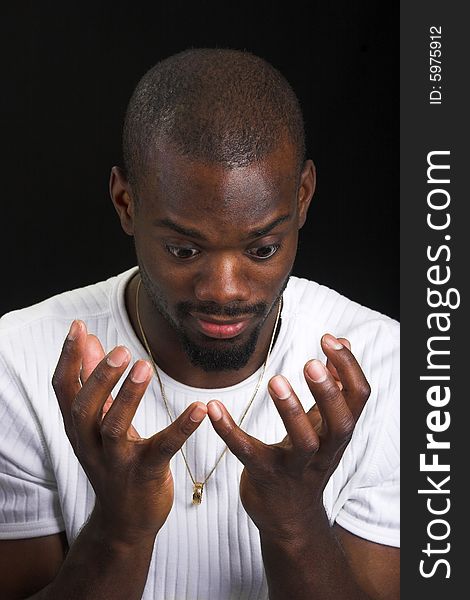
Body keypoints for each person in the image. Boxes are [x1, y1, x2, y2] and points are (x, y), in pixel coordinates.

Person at [0, 48, 399, 599]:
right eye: (185, 250)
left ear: (302, 197)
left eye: (262, 249)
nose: (224, 291)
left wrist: (296, 523)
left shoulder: (389, 365)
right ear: (125, 203)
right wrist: (122, 528)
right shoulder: (16, 362)